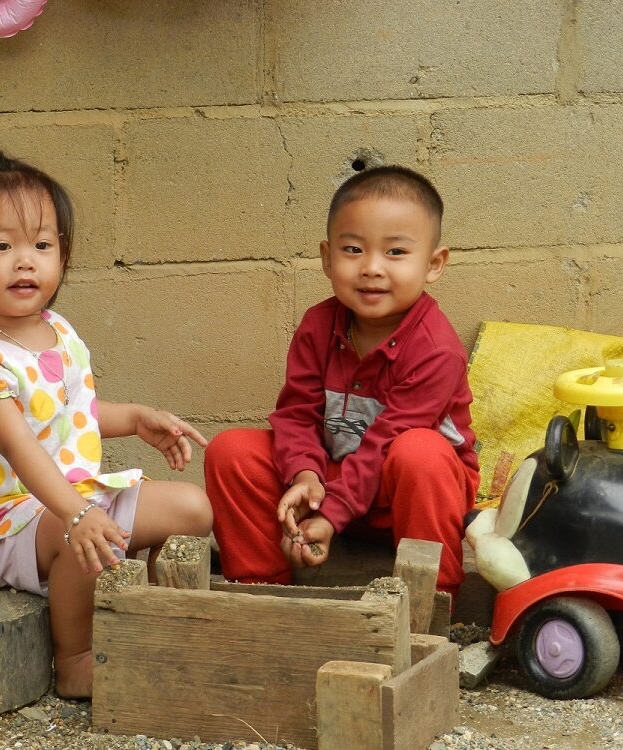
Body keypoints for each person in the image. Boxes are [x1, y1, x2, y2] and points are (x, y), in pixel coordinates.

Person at [0, 151, 212, 698]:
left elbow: (64, 414)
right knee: (83, 533)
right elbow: (22, 446)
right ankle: (75, 656)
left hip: (68, 501)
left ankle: (128, 605)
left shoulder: (56, 330)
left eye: (42, 245)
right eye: (2, 246)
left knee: (193, 509)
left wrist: (133, 420)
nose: (25, 262)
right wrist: (78, 512)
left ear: (64, 254)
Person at [205, 165, 479, 599]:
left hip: (402, 494)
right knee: (232, 452)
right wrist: (305, 474)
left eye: (395, 253)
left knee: (419, 453)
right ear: (327, 257)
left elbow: (386, 442)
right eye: (353, 249)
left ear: (434, 264)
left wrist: (331, 515)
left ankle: (433, 605)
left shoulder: (436, 348)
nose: (371, 268)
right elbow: (297, 414)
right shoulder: (318, 325)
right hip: (334, 481)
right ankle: (262, 591)